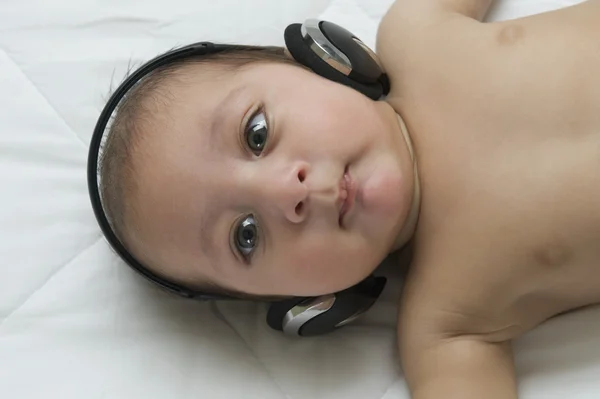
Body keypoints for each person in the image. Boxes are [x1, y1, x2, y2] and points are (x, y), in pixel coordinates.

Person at [97, 0, 600, 397]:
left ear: (322, 60)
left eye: (257, 133)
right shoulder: (446, 327)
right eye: (245, 236)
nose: (284, 192)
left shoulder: (417, 32)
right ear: (307, 307)